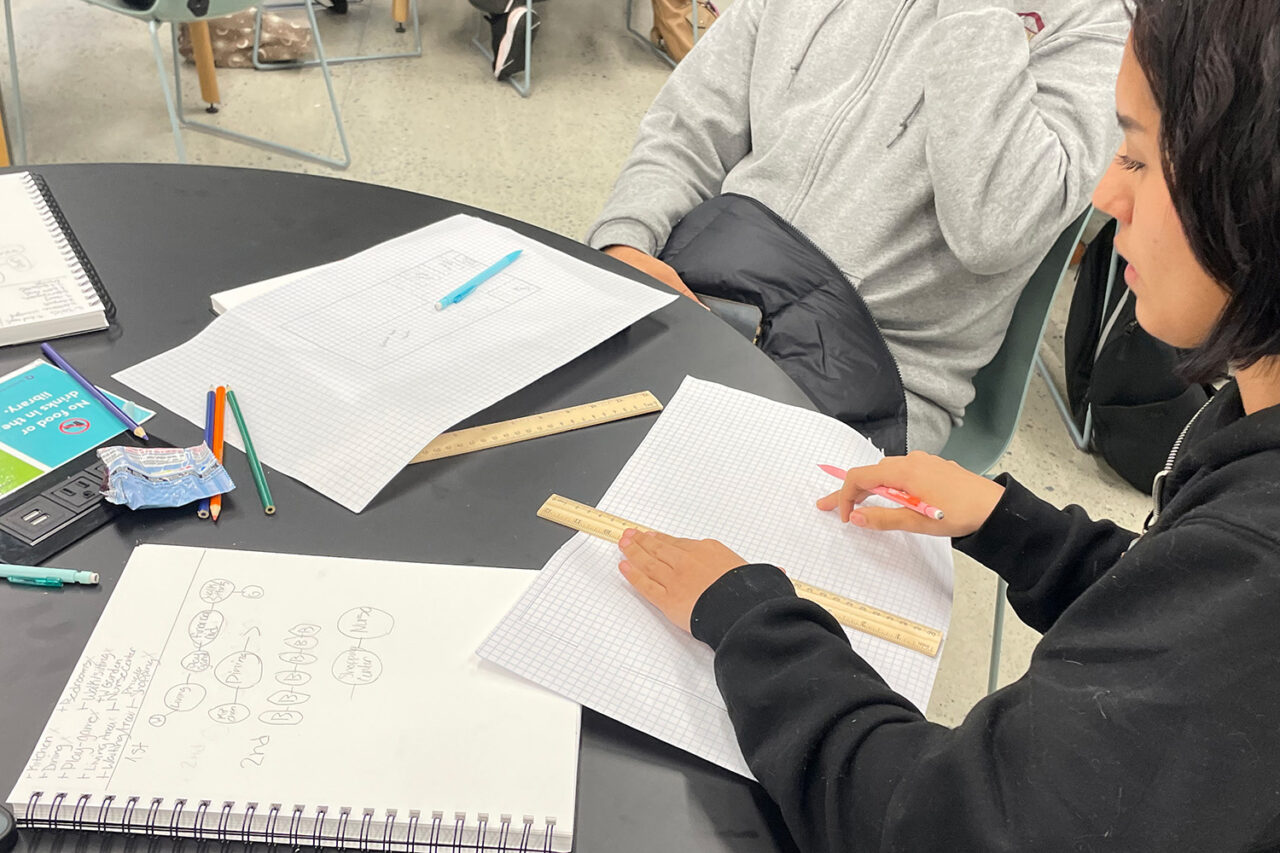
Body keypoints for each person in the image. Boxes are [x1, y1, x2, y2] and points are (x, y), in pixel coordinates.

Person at [613, 0, 1280, 847]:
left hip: (869, 371)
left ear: (1249, 189)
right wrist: (1023, 529)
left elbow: (945, 820)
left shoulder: (1086, 30)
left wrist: (755, 624)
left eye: (1140, 160)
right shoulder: (1244, 448)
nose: (1106, 198)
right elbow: (1175, 597)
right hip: (711, 289)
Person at [588, 0, 1129, 455]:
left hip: (877, 368)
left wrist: (977, 14)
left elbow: (995, 230)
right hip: (705, 289)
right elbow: (688, 130)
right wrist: (625, 243)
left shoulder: (1100, 29)